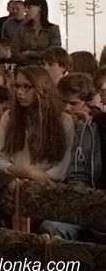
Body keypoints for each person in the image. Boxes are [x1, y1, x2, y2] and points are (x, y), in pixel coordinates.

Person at [39, 73, 102, 240]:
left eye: (73, 103)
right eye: (63, 102)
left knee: (52, 228)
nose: (67, 108)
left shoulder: (96, 129)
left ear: (88, 103)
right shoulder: (52, 126)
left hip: (86, 196)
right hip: (54, 190)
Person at [0, 66, 74, 181]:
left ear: (41, 88)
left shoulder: (64, 120)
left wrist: (35, 176)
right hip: (13, 181)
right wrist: (21, 172)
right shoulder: (8, 117)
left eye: (26, 87)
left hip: (48, 185)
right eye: (17, 86)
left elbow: (61, 167)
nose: (19, 92)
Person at [15, 0, 61, 64]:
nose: (25, 11)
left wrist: (28, 53)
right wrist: (40, 56)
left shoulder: (53, 29)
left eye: (29, 7)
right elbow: (16, 53)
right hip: (24, 68)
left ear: (40, 8)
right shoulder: (22, 28)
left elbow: (54, 53)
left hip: (45, 68)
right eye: (25, 8)